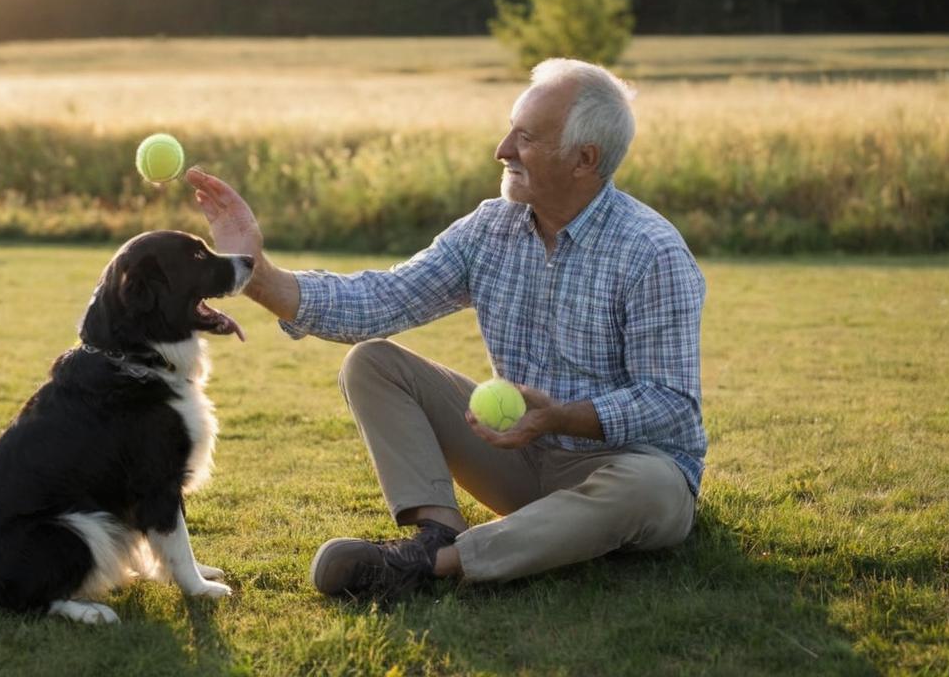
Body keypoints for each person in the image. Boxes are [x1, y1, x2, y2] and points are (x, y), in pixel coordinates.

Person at [184, 58, 706, 600]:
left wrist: (560, 416)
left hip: (627, 470)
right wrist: (254, 273)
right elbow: (380, 300)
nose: (502, 149)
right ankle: (437, 533)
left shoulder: (651, 252)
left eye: (525, 137)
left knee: (651, 488)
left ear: (584, 159)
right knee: (373, 362)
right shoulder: (490, 228)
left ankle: (437, 566)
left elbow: (671, 404)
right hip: (522, 460)